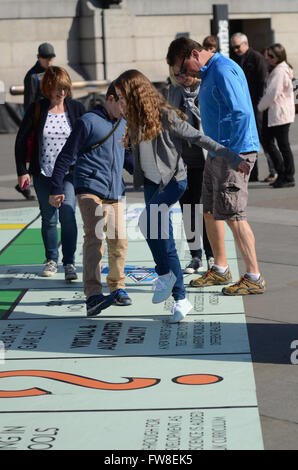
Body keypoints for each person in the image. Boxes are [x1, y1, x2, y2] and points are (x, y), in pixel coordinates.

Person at [113, 69, 250, 324]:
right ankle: (173, 288)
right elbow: (135, 157)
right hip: (152, 184)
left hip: (174, 182)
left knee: (150, 226)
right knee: (156, 233)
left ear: (135, 94)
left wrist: (234, 158)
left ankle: (171, 286)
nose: (119, 102)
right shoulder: (132, 119)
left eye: (122, 96)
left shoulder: (165, 116)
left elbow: (199, 138)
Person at [166, 37, 266, 296]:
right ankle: (220, 268)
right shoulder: (211, 71)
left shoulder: (222, 69)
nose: (185, 75)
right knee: (209, 210)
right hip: (217, 152)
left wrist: (234, 155)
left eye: (184, 68)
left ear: (195, 54)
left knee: (234, 215)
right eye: (180, 73)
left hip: (233, 152)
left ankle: (253, 276)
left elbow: (241, 113)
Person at [49, 81, 134, 318]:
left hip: (115, 190)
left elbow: (125, 156)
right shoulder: (87, 122)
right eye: (123, 104)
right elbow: (67, 155)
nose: (125, 109)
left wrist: (145, 173)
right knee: (94, 237)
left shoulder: (123, 123)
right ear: (110, 98)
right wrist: (57, 186)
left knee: (119, 240)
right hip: (89, 187)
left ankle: (117, 287)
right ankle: (93, 295)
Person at [15, 66, 85, 281]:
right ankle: (51, 259)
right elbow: (20, 141)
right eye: (57, 88)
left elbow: (88, 137)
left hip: (68, 174)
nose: (61, 92)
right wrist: (22, 171)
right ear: (47, 87)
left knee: (67, 212)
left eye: (64, 88)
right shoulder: (37, 109)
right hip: (43, 172)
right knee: (49, 218)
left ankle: (70, 262)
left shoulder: (76, 109)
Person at [168, 66, 214, 274]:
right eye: (177, 74)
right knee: (188, 209)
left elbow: (208, 122)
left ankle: (212, 255)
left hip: (205, 159)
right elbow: (171, 123)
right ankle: (196, 256)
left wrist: (192, 107)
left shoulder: (206, 89)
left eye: (184, 73)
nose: (181, 78)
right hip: (182, 161)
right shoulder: (174, 91)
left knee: (205, 209)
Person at [15, 43, 56, 201]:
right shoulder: (32, 76)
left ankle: (24, 184)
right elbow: (29, 103)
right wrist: (30, 123)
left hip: (51, 118)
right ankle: (23, 184)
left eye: (51, 58)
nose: (49, 61)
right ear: (38, 58)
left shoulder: (53, 72)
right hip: (37, 120)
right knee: (34, 155)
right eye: (46, 58)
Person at [230, 32, 268, 182]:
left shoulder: (256, 58)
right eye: (233, 47)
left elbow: (261, 83)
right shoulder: (235, 59)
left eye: (238, 47)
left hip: (254, 104)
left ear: (245, 44)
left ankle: (269, 171)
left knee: (257, 139)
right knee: (246, 139)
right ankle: (251, 172)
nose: (236, 50)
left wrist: (258, 104)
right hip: (242, 105)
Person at [257, 43, 295, 188]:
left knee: (276, 144)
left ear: (279, 57)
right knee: (274, 143)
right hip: (276, 113)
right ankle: (285, 175)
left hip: (279, 113)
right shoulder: (277, 69)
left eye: (271, 56)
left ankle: (287, 176)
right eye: (268, 55)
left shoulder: (280, 71)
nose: (268, 58)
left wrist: (260, 107)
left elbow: (272, 93)